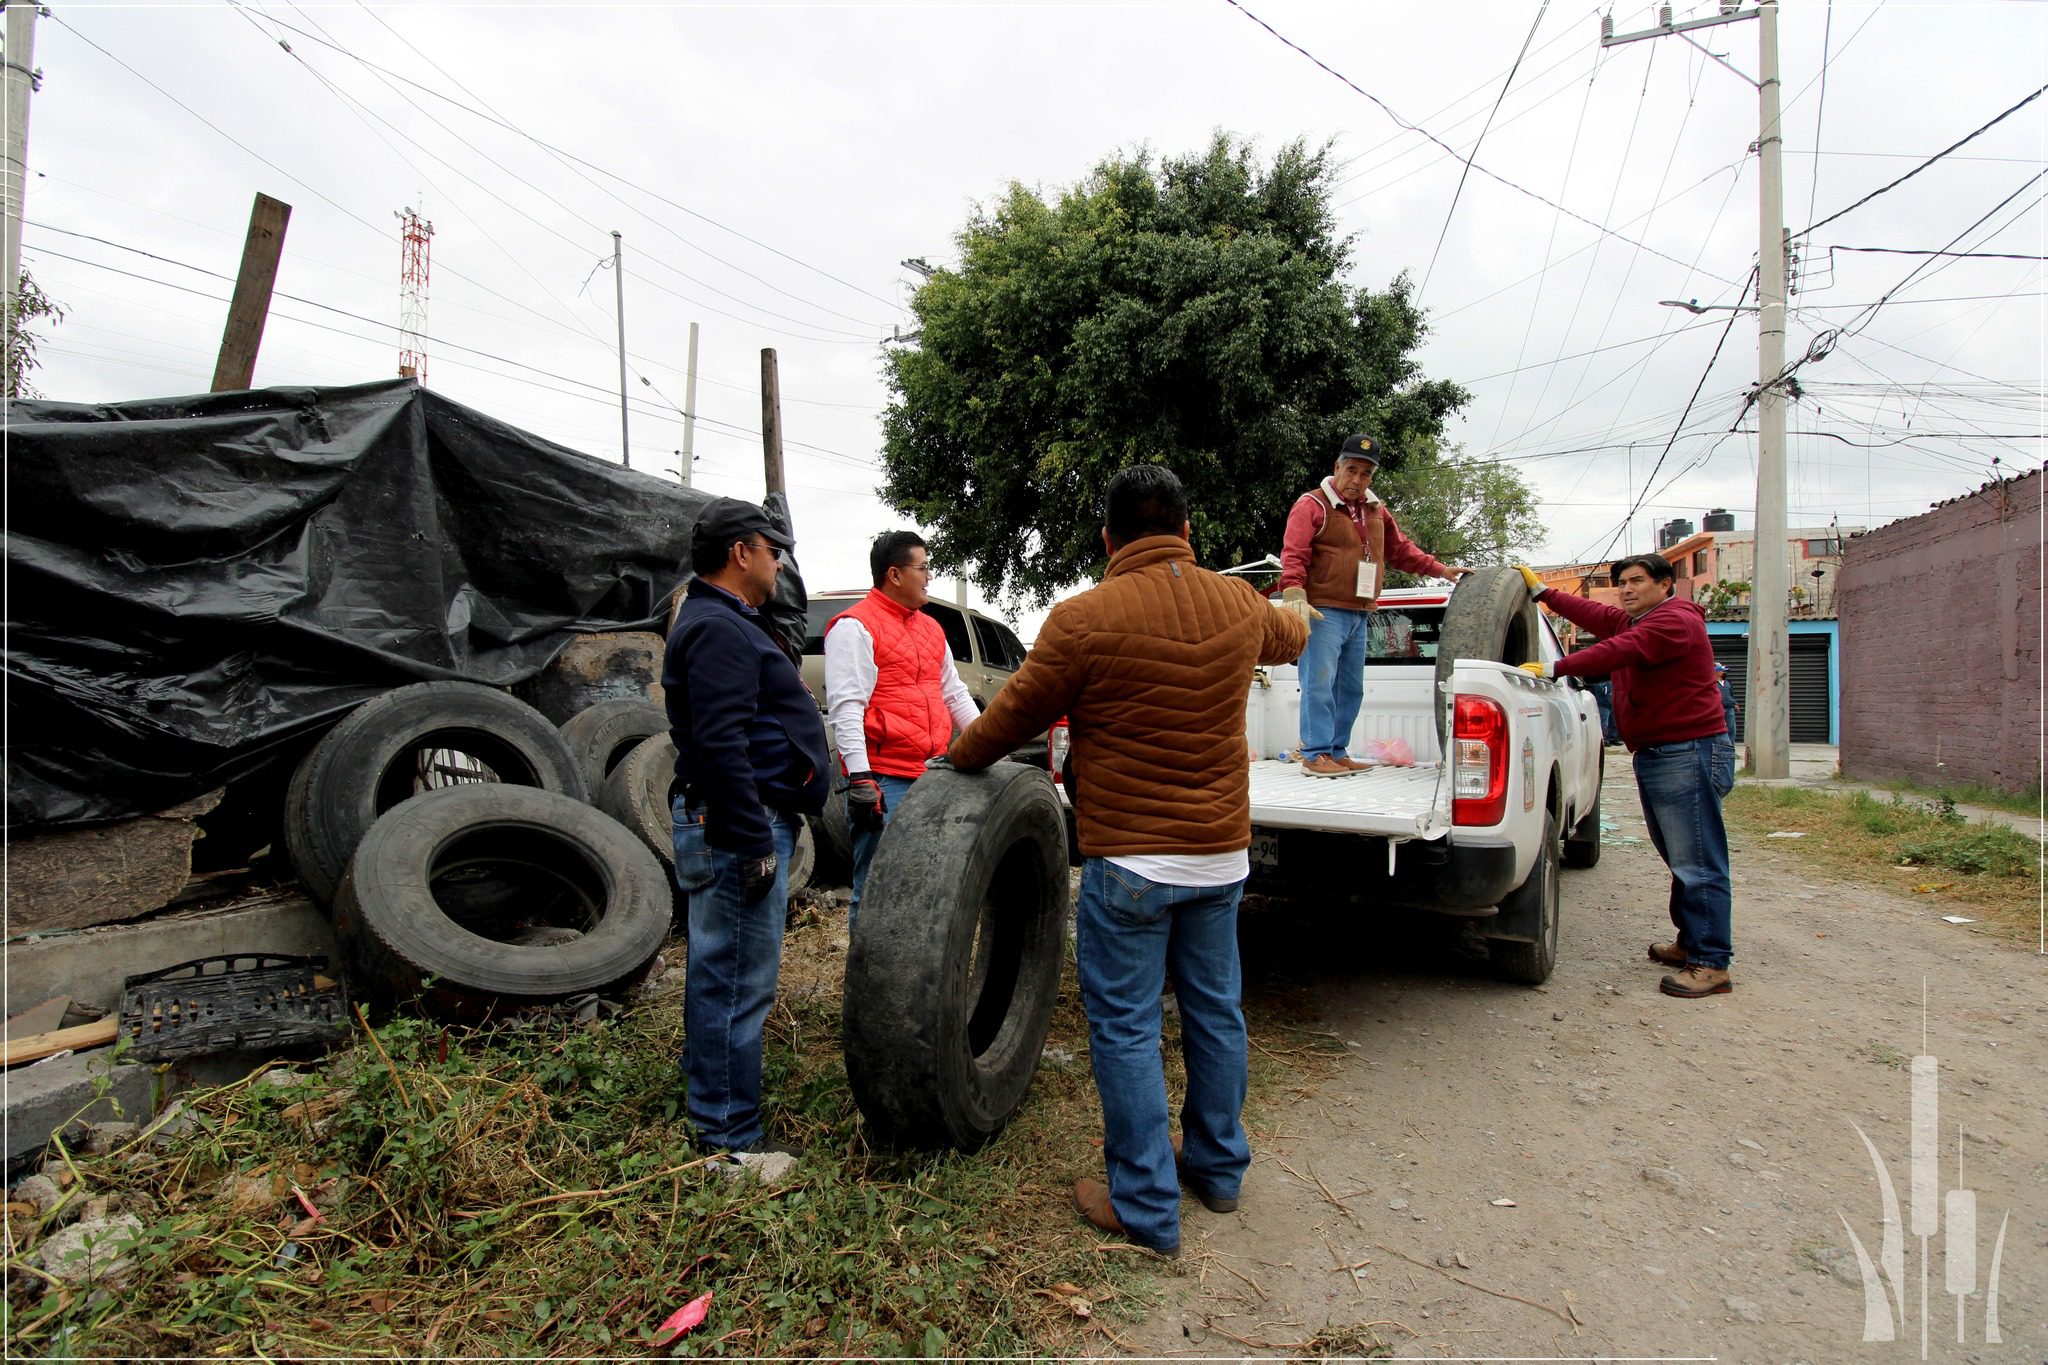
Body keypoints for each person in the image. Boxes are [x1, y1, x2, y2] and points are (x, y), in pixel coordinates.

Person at [947, 465, 1308, 1257]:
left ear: (1109, 538)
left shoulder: (1083, 619)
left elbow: (1012, 714)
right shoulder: (1240, 606)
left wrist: (956, 755)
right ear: (1188, 529)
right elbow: (1294, 631)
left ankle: (1145, 1203)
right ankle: (1217, 1171)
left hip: (1133, 864)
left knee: (1127, 1028)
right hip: (1220, 859)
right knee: (1217, 1011)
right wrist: (1298, 601)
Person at [664, 497, 831, 1162]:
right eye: (772, 549)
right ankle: (728, 1140)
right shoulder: (718, 627)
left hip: (743, 818)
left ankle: (716, 1113)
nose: (778, 560)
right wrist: (754, 840)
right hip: (738, 823)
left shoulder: (726, 620)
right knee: (734, 980)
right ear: (741, 552)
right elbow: (720, 743)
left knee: (724, 973)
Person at [1513, 555, 1735, 998]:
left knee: (1697, 862)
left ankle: (1711, 963)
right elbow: (1603, 617)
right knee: (1680, 857)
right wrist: (1545, 594)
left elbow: (1620, 649)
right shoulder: (1642, 618)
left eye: (1637, 581)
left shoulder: (1674, 621)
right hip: (1665, 753)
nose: (1627, 589)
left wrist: (1557, 667)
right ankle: (1691, 944)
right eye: (1622, 583)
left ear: (1665, 583)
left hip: (1688, 752)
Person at [1275, 434, 1468, 777]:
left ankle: (1336, 749)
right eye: (1351, 470)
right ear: (1337, 467)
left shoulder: (1376, 509)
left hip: (1361, 611)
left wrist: (1439, 569)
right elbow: (1294, 554)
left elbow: (1401, 550)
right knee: (1319, 683)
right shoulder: (1311, 505)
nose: (1357, 480)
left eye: (1366, 474)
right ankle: (1316, 753)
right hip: (1324, 610)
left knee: (1350, 687)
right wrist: (1293, 593)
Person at [823, 531, 981, 924]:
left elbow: (956, 695)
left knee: (924, 883)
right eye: (923, 568)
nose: (929, 576)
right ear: (894, 574)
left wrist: (989, 741)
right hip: (884, 781)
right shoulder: (854, 627)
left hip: (932, 775)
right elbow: (847, 708)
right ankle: (869, 983)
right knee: (878, 886)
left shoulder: (931, 629)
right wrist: (860, 778)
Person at [1715, 662, 1739, 738]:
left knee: (1731, 728)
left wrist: (1735, 703)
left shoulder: (1728, 683)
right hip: (1719, 708)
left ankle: (1731, 745)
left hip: (1729, 707)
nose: (1724, 673)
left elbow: (1731, 694)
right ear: (1717, 672)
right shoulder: (1713, 683)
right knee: (1719, 728)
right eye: (1722, 671)